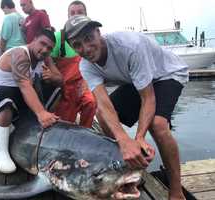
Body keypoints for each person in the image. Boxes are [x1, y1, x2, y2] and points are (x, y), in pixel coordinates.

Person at [65, 15, 188, 200]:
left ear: (99, 33)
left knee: (158, 125)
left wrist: (138, 138)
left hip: (166, 74)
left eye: (89, 38)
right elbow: (104, 106)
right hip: (136, 79)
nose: (86, 48)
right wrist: (124, 141)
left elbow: (148, 98)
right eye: (77, 44)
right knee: (101, 114)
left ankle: (176, 192)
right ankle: (122, 170)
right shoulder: (86, 66)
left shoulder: (129, 47)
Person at [0, 29, 63, 173]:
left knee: (56, 89)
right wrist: (41, 113)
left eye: (49, 48)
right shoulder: (20, 54)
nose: (45, 50)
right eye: (43, 44)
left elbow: (60, 79)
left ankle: (29, 122)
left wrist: (52, 77)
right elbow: (25, 85)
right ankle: (0, 151)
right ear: (33, 40)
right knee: (7, 100)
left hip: (20, 93)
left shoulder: (44, 57)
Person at [50, 1, 96, 128]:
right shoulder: (59, 37)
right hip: (64, 85)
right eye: (72, 13)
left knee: (90, 103)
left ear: (86, 15)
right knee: (66, 119)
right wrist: (57, 79)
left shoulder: (92, 37)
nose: (76, 15)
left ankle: (85, 132)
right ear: (68, 16)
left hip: (83, 82)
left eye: (80, 12)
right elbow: (48, 60)